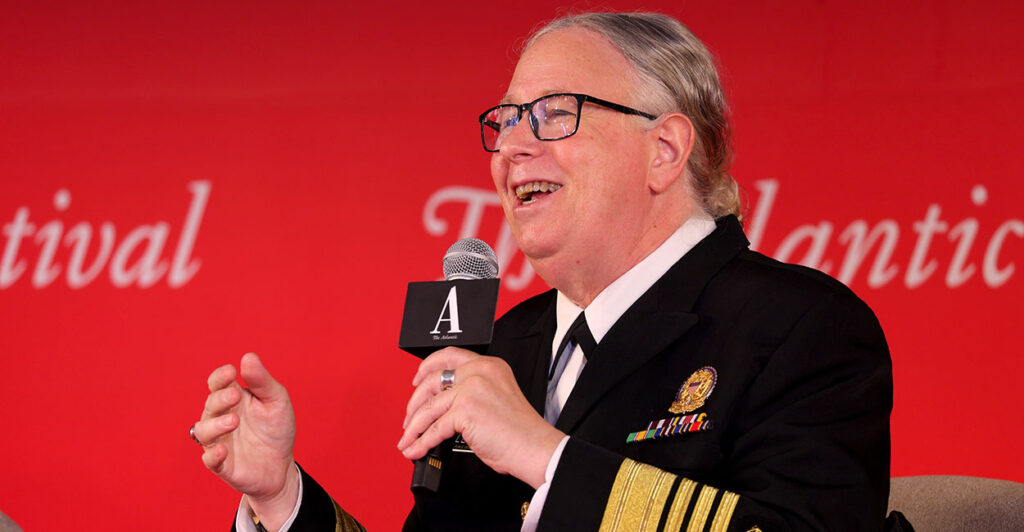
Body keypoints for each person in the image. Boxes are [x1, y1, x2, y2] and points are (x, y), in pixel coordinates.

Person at [191, 12, 892, 531]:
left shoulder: (800, 327)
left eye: (556, 115)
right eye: (506, 121)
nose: (512, 150)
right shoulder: (504, 344)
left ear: (666, 150)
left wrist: (544, 456)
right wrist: (280, 496)